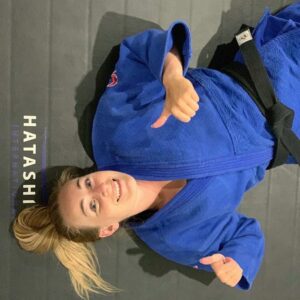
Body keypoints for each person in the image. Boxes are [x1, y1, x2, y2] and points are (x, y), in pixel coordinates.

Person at [12, 2, 300, 300]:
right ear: (108, 228)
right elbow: (244, 236)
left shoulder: (116, 132)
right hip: (291, 135)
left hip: (275, 69)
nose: (100, 189)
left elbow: (137, 53)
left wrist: (172, 77)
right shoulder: (172, 236)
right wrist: (237, 263)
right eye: (93, 207)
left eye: (86, 183)